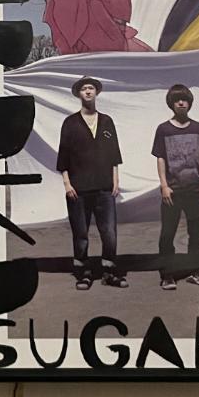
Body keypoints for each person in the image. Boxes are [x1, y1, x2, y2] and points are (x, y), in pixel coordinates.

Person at [56, 75, 126, 289]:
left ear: (96, 93)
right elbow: (63, 156)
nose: (88, 91)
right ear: (79, 94)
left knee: (109, 233)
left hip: (104, 187)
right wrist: (67, 184)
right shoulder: (70, 123)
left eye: (91, 88)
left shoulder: (107, 121)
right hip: (78, 189)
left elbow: (114, 153)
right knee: (81, 234)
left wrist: (115, 179)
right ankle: (83, 273)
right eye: (84, 88)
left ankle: (109, 272)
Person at [151, 84, 199, 290]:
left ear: (190, 103)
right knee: (168, 233)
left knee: (196, 233)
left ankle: (197, 271)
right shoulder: (163, 129)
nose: (181, 103)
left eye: (184, 99)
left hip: (195, 189)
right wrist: (164, 185)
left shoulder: (198, 128)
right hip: (173, 190)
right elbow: (160, 158)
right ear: (171, 103)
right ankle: (167, 274)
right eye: (177, 100)